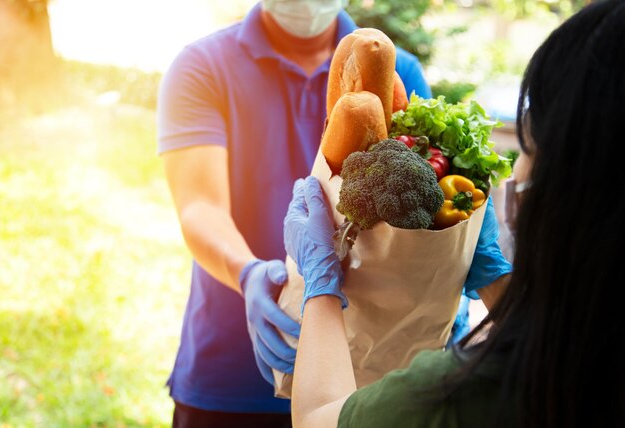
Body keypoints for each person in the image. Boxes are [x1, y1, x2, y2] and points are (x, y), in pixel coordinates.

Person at [157, 0, 509, 425]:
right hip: (234, 370)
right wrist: (248, 275)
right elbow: (199, 207)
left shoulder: (399, 70)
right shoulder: (203, 65)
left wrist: (448, 273)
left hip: (366, 378)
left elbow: (424, 197)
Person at [283, 1, 625, 427]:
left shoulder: (463, 394)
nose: (518, 169)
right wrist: (500, 283)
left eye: (531, 144)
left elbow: (317, 418)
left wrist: (320, 285)